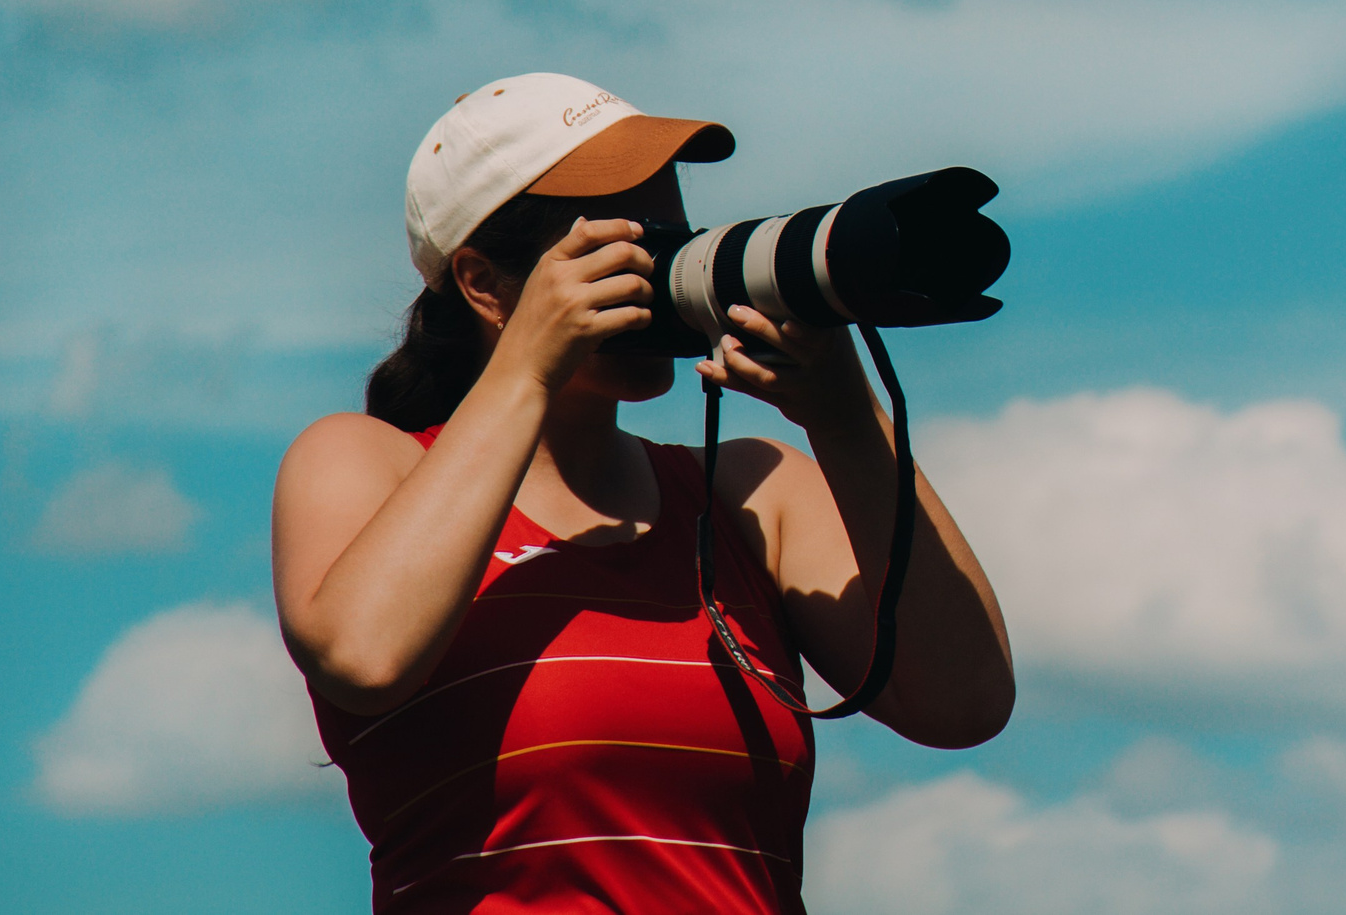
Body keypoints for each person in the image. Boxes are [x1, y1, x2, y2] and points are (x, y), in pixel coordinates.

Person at [272, 74, 1014, 913]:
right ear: (483, 282)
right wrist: (527, 367)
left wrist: (847, 420)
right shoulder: (365, 463)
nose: (658, 272)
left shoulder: (746, 496)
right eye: (621, 245)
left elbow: (965, 701)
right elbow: (362, 655)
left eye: (672, 240)